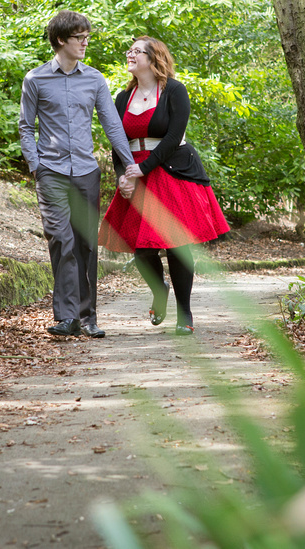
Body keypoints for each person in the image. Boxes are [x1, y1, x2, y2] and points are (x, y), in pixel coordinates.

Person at [19, 10, 141, 338]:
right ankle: (66, 317)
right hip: (52, 172)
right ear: (61, 40)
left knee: (86, 244)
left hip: (86, 171)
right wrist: (36, 165)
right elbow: (25, 127)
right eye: (79, 38)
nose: (85, 43)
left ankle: (88, 318)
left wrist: (130, 165)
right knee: (61, 239)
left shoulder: (95, 79)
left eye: (87, 37)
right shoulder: (35, 79)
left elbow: (111, 124)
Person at [98, 36, 230, 335]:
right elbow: (118, 143)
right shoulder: (121, 97)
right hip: (135, 172)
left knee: (176, 246)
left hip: (171, 171)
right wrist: (123, 175)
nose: (129, 54)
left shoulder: (174, 90)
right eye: (129, 50)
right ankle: (160, 291)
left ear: (153, 57)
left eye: (136, 51)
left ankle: (185, 315)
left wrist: (142, 169)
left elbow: (173, 137)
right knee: (142, 250)